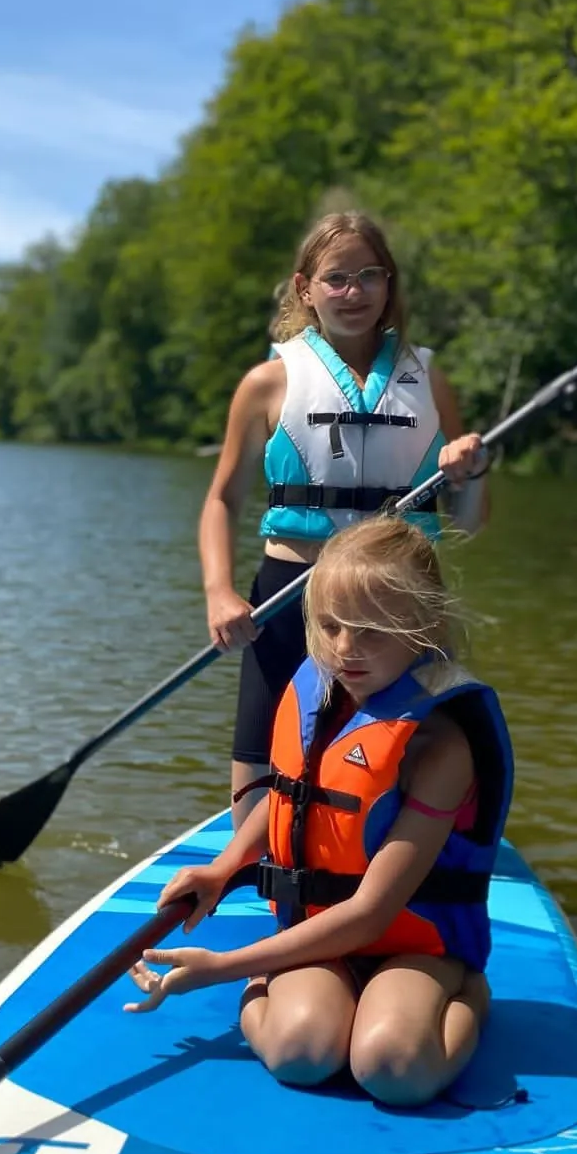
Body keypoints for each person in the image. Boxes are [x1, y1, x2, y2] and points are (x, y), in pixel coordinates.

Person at [126, 518, 513, 1108]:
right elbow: (292, 795)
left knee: (394, 1069)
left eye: (372, 631)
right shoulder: (325, 693)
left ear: (422, 626)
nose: (345, 648)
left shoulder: (441, 746)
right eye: (331, 626)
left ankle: (469, 993)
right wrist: (224, 867)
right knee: (301, 1053)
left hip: (414, 945)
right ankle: (281, 982)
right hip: (317, 935)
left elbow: (370, 914)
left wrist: (222, 966)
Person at [198, 207, 486, 831]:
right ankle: (265, 861)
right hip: (289, 599)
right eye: (336, 278)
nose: (353, 292)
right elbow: (222, 500)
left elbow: (473, 521)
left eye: (368, 276)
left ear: (389, 284)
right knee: (260, 783)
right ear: (306, 289)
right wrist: (220, 592)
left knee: (406, 762)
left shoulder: (430, 380)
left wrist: (472, 472)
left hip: (401, 602)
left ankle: (393, 857)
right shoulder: (266, 384)